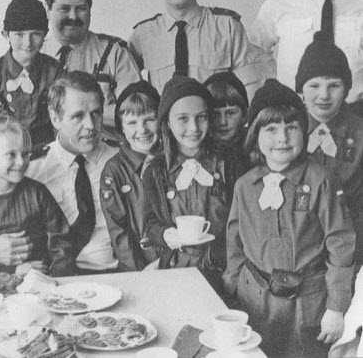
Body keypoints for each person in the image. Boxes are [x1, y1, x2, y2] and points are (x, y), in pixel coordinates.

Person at [223, 79, 355, 357]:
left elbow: (340, 245)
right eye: (271, 129)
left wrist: (336, 307)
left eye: (292, 127)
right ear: (255, 135)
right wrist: (232, 289)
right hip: (255, 303)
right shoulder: (245, 186)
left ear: (304, 132)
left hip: (308, 307)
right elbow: (235, 242)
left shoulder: (321, 181)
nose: (282, 138)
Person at [142, 76, 242, 293]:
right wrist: (164, 234)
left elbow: (242, 224)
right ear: (167, 122)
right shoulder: (156, 172)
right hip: (176, 268)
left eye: (201, 117)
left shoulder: (229, 164)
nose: (194, 127)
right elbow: (150, 222)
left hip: (221, 270)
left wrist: (233, 273)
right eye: (183, 119)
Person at [128, 0, 263, 97]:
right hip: (165, 120)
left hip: (214, 119)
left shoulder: (228, 27)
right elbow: (127, 89)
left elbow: (251, 87)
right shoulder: (144, 34)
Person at [250, 0, 363, 114]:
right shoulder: (278, 2)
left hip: (357, 118)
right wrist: (275, 83)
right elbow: (254, 52)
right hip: (295, 119)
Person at [24, 71, 120, 274]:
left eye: (96, 113)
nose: (91, 126)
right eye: (78, 116)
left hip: (115, 274)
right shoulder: (33, 168)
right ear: (55, 118)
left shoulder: (120, 161)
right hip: (54, 278)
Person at [0, 114, 76, 277]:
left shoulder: (37, 193)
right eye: (11, 155)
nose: (21, 162)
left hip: (41, 284)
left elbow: (62, 245)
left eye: (26, 153)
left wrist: (53, 279)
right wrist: (12, 273)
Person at [39, 0, 141, 133]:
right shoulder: (34, 55)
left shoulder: (114, 53)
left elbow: (136, 111)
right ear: (48, 10)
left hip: (105, 151)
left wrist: (81, 111)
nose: (73, 16)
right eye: (64, 9)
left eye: (81, 9)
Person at [296, 32, 363, 266]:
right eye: (314, 85)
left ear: (346, 89)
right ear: (300, 90)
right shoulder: (287, 130)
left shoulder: (359, 133)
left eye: (334, 85)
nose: (324, 95)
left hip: (352, 246)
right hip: (300, 248)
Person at [0, 0, 61, 147]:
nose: (27, 43)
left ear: (45, 34)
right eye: (19, 35)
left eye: (36, 34)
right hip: (8, 148)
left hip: (47, 150)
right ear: (5, 35)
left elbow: (59, 119)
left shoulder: (54, 71)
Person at [100, 81, 162, 271]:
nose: (142, 130)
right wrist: (139, 272)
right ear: (122, 127)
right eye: (132, 123)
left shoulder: (170, 161)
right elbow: (118, 231)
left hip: (173, 259)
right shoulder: (115, 171)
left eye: (149, 119)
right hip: (138, 267)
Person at [204, 71, 250, 165]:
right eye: (215, 114)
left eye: (230, 113)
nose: (222, 122)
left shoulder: (256, 151)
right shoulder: (198, 154)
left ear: (245, 115)